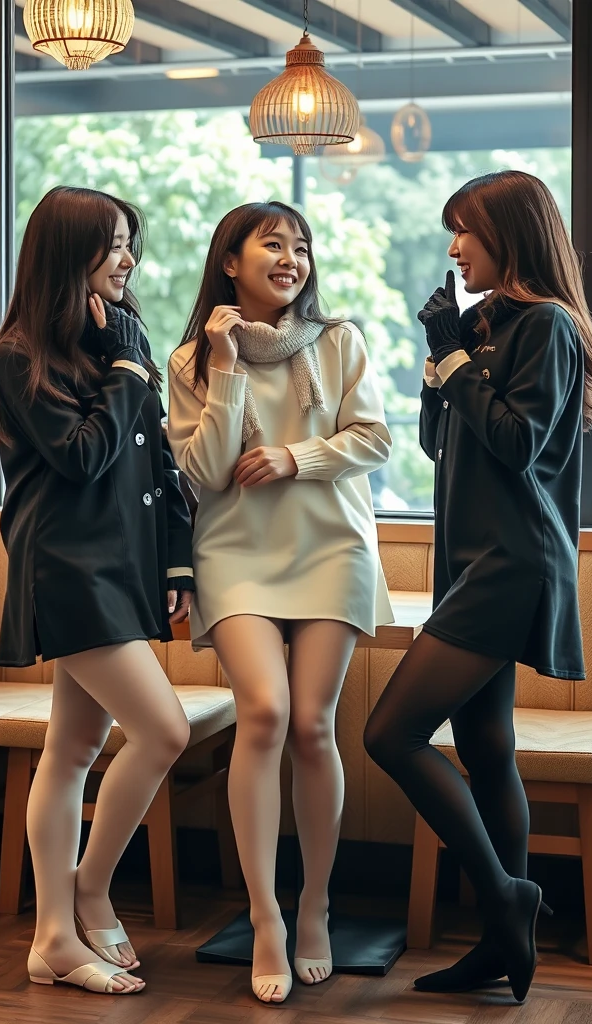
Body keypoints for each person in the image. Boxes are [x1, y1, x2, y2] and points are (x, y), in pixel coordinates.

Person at [363, 170, 592, 1004]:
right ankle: (501, 943)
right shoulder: (484, 324)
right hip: (470, 559)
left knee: (388, 734)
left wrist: (460, 357)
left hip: (512, 561)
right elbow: (443, 443)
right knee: (485, 750)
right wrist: (442, 360)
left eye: (464, 231)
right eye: (450, 233)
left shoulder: (548, 328)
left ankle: (510, 902)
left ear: (510, 235)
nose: (454, 248)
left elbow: (515, 442)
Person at [166, 201, 393, 1004]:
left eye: (301, 246)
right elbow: (205, 472)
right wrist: (225, 366)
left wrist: (297, 456)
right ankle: (265, 914)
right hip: (235, 556)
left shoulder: (340, 341)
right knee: (262, 714)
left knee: (311, 722)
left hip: (332, 549)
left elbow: (375, 438)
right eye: (273, 244)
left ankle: (315, 904)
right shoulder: (194, 356)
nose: (291, 258)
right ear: (230, 260)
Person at [0, 186, 196, 996]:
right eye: (113, 245)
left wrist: (176, 565)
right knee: (163, 731)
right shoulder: (20, 355)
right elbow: (80, 458)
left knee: (69, 752)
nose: (128, 259)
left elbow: (157, 464)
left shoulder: (116, 340)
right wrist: (129, 373)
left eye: (129, 243)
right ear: (69, 254)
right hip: (68, 570)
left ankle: (52, 941)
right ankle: (87, 892)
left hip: (120, 569)